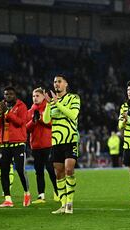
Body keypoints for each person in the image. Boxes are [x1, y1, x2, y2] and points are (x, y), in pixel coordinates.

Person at [43, 75, 81, 214]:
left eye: (59, 81)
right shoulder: (52, 102)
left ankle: (70, 202)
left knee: (69, 169)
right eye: (54, 82)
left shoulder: (74, 98)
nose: (56, 84)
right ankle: (63, 204)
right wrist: (48, 104)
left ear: (66, 84)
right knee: (59, 173)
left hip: (70, 139)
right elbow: (46, 120)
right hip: (56, 141)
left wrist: (57, 103)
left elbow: (73, 115)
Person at [0, 86, 31, 207]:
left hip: (18, 144)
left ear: (15, 95)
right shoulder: (1, 108)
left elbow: (20, 123)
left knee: (20, 169)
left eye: (11, 94)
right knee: (4, 171)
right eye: (6, 94)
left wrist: (7, 113)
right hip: (4, 144)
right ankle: (8, 199)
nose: (8, 96)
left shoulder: (21, 106)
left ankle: (27, 193)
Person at [26, 87, 58, 204]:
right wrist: (33, 121)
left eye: (37, 96)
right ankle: (41, 196)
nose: (35, 98)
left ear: (43, 97)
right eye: (33, 96)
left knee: (50, 169)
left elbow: (51, 124)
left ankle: (57, 192)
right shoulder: (30, 111)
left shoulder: (48, 108)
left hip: (48, 144)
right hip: (35, 146)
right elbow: (26, 129)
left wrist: (39, 119)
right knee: (38, 171)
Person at [0, 100, 15, 197]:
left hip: (9, 143)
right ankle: (6, 183)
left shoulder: (12, 112)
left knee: (8, 166)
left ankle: (8, 186)